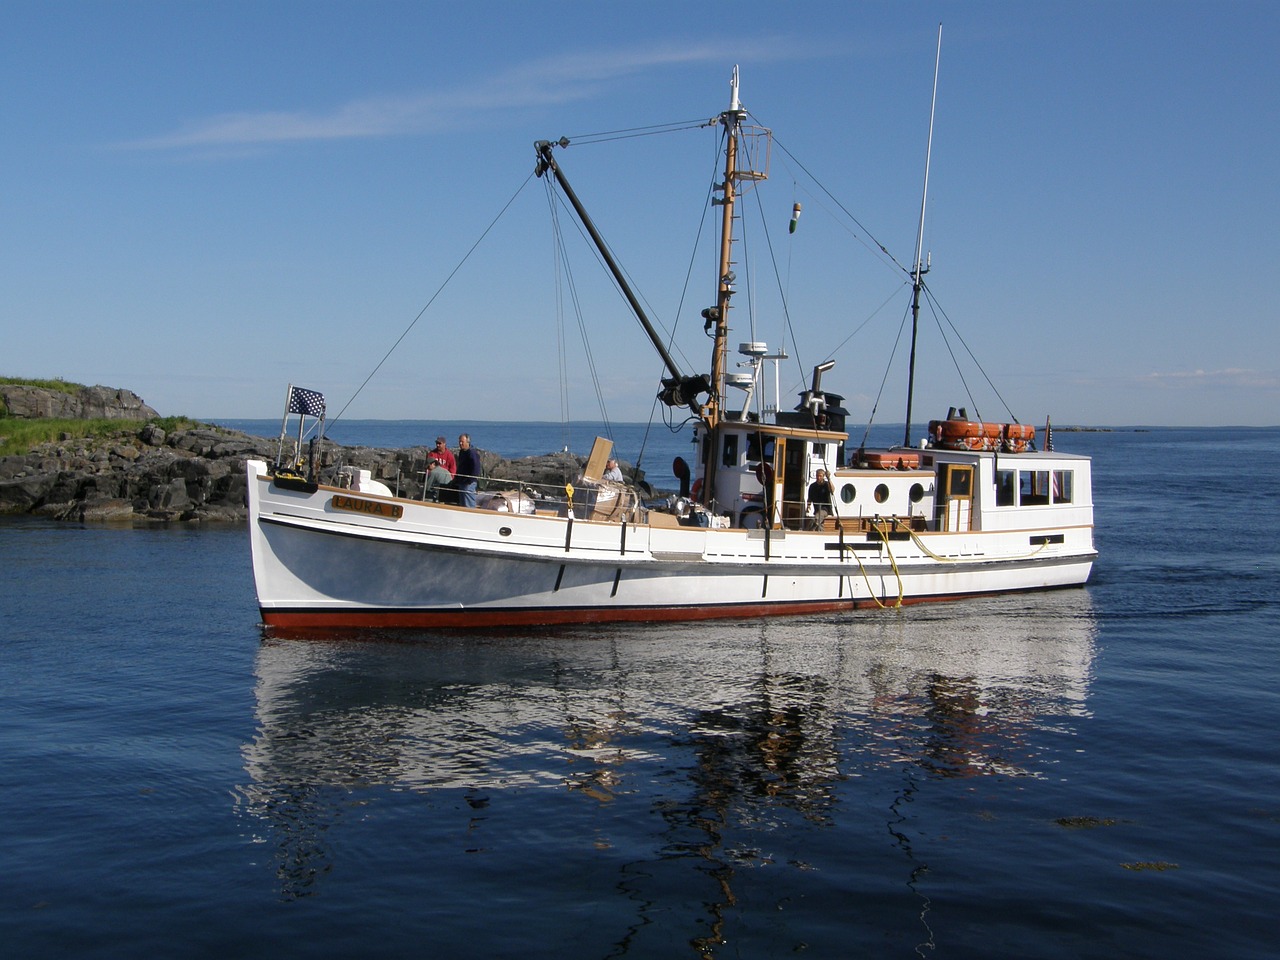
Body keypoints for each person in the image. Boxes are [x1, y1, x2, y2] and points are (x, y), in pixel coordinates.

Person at [423, 435, 456, 501]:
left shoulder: (449, 455)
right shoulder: (432, 454)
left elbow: (453, 469)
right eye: (437, 443)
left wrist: (451, 479)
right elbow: (428, 466)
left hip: (445, 479)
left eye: (439, 443)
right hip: (434, 478)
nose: (438, 445)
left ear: (444, 444)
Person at [453, 433, 482, 508]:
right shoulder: (462, 452)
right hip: (462, 481)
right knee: (462, 503)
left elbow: (476, 468)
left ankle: (471, 516)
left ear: (467, 442)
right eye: (459, 441)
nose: (460, 443)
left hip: (468, 483)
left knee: (469, 503)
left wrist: (470, 480)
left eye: (462, 442)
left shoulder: (471, 453)